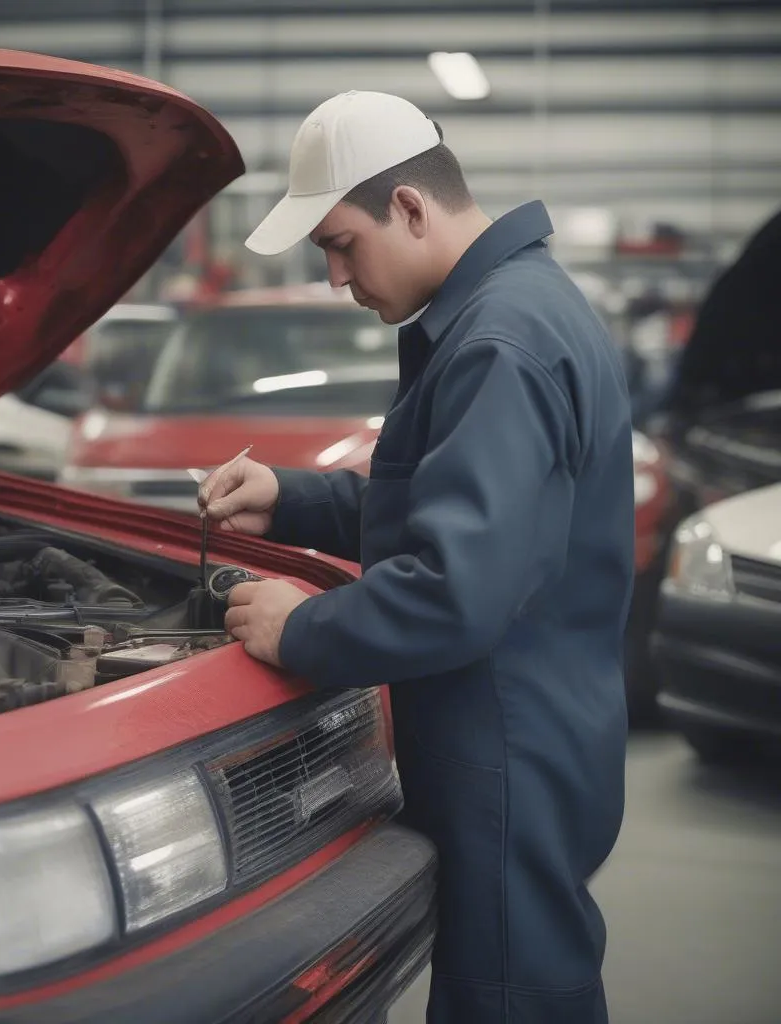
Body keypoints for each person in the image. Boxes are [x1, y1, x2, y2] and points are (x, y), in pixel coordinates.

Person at [199, 92, 634, 1024]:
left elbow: (456, 588)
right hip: (528, 727)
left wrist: (302, 627)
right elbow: (455, 519)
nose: (333, 277)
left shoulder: (499, 342)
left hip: (506, 746)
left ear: (408, 206)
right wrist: (294, 498)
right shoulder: (506, 310)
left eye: (339, 243)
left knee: (511, 998)